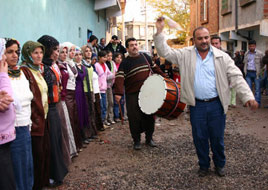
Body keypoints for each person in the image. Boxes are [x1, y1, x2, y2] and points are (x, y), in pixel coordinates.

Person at [154, 18, 258, 177]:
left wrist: (248, 96)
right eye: (200, 38)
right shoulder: (185, 55)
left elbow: (236, 76)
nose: (204, 41)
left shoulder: (222, 57)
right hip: (197, 106)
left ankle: (220, 164)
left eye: (206, 37)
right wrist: (160, 32)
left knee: (217, 138)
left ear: (210, 38)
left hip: (216, 105)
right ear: (194, 40)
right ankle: (203, 165)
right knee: (199, 138)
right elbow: (164, 52)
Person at [114, 37, 165, 150]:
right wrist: (118, 93)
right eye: (131, 45)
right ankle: (136, 140)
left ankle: (149, 138)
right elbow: (119, 77)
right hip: (132, 94)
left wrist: (165, 78)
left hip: (147, 93)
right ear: (127, 48)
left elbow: (155, 68)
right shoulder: (125, 63)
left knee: (150, 116)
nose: (134, 47)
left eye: (136, 44)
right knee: (134, 118)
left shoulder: (145, 57)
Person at [38, 35, 68, 187]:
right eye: (55, 50)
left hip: (55, 107)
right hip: (48, 109)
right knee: (51, 143)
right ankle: (52, 174)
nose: (57, 53)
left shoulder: (50, 66)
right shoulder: (41, 68)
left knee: (56, 140)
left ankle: (58, 172)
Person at [20, 41, 50, 190]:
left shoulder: (37, 70)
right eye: (35, 53)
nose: (39, 56)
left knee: (42, 153)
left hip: (42, 118)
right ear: (27, 54)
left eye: (41, 52)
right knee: (36, 156)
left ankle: (42, 182)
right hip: (33, 121)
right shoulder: (24, 72)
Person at [5, 38, 34, 190]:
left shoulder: (21, 73)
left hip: (25, 126)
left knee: (26, 164)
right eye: (9, 52)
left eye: (16, 52)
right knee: (15, 167)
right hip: (11, 129)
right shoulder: (3, 76)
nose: (14, 55)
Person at [0, 38, 16, 190]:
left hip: (6, 140)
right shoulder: (2, 75)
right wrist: (3, 74)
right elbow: (8, 99)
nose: (5, 57)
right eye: (5, 52)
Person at [58, 44, 78, 158]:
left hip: (68, 94)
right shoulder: (58, 65)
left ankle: (72, 148)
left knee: (71, 120)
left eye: (67, 52)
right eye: (62, 52)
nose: (65, 54)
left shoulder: (67, 64)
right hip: (63, 96)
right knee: (67, 120)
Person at [94, 50, 114, 126]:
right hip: (99, 89)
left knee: (105, 106)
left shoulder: (105, 65)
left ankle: (104, 120)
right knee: (101, 106)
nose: (105, 59)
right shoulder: (96, 65)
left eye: (106, 57)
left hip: (104, 88)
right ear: (99, 57)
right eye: (104, 57)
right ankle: (101, 122)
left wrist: (114, 75)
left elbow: (109, 73)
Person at [243, 40, 265, 106]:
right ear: (248, 46)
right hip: (248, 72)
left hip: (256, 73)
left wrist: (260, 70)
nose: (251, 47)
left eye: (253, 46)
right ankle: (250, 102)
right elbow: (245, 62)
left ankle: (257, 103)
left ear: (255, 46)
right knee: (248, 88)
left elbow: (263, 63)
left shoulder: (260, 53)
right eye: (250, 46)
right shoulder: (246, 53)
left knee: (257, 89)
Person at [106, 50, 117, 124]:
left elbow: (115, 71)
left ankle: (110, 117)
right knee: (107, 102)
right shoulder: (104, 64)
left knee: (111, 102)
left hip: (112, 84)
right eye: (108, 56)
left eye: (111, 56)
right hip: (106, 85)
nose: (110, 57)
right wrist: (112, 75)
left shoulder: (112, 63)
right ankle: (106, 118)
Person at [113, 53, 125, 122]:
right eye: (117, 57)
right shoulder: (114, 65)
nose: (119, 59)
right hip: (115, 85)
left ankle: (122, 115)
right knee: (116, 102)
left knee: (122, 102)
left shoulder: (123, 66)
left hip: (122, 85)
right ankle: (116, 116)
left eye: (120, 57)